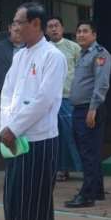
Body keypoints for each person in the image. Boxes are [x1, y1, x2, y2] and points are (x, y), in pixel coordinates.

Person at [0, 2, 66, 220]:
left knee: (36, 201)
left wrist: (14, 127)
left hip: (39, 139)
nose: (15, 27)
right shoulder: (20, 56)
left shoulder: (52, 56)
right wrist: (6, 126)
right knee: (14, 198)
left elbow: (44, 99)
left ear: (36, 24)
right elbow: (7, 93)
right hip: (14, 139)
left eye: (19, 22)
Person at [65, 21, 111, 208]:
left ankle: (86, 195)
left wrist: (92, 109)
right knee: (90, 152)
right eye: (78, 31)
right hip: (80, 109)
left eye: (85, 31)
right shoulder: (83, 54)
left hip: (90, 109)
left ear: (94, 35)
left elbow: (101, 83)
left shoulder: (100, 54)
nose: (81, 34)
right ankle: (96, 190)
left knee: (88, 153)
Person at [47, 16, 82, 181]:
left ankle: (80, 168)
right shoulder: (44, 49)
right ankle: (58, 169)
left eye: (56, 25)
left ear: (62, 28)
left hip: (68, 97)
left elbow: (81, 72)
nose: (54, 29)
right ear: (46, 30)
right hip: (48, 100)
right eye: (50, 26)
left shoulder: (73, 47)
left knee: (70, 134)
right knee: (54, 135)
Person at [0, 20, 23, 116]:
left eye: (21, 31)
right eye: (16, 31)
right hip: (5, 98)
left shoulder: (31, 48)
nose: (19, 34)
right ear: (10, 29)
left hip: (26, 98)